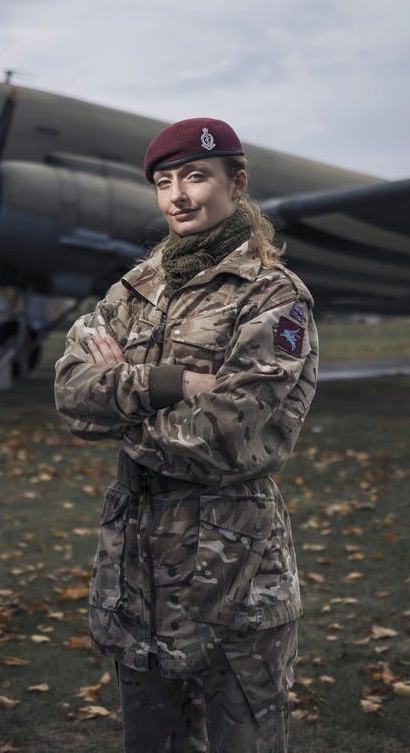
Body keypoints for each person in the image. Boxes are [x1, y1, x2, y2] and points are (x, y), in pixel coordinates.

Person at [53, 117, 319, 752]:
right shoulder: (134, 290)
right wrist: (170, 382)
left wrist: (119, 393)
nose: (178, 195)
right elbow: (68, 395)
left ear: (237, 183)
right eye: (165, 181)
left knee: (244, 740)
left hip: (233, 561)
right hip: (137, 560)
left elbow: (223, 435)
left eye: (197, 176)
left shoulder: (272, 296)